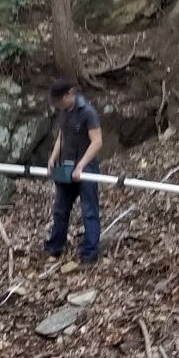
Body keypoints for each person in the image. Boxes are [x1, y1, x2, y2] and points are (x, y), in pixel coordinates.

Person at [44, 78, 105, 264]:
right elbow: (61, 136)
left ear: (69, 94)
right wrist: (53, 159)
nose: (59, 105)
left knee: (89, 211)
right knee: (60, 209)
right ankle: (54, 246)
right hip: (66, 168)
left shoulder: (87, 112)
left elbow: (97, 141)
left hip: (86, 169)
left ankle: (90, 253)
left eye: (60, 101)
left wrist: (81, 166)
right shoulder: (63, 113)